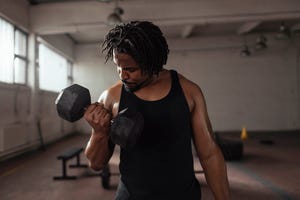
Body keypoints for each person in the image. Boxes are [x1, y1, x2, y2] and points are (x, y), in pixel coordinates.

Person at [84, 21, 230, 200]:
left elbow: (209, 154)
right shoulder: (111, 97)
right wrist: (99, 133)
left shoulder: (188, 92)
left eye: (130, 69)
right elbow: (96, 164)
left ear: (153, 63)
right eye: (118, 67)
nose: (122, 75)